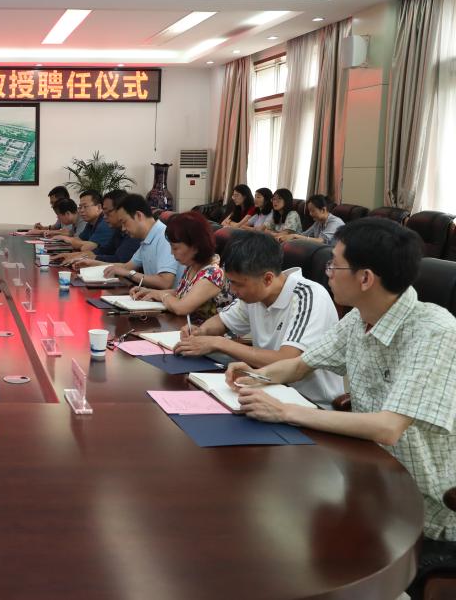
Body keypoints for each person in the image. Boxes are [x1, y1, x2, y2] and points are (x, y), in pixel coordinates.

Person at [224, 218, 456, 598]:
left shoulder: (434, 332)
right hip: (366, 481)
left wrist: (285, 411)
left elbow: (389, 428)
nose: (328, 272)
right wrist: (255, 376)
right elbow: (299, 365)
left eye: (335, 264)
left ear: (365, 278)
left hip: (421, 510)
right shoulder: (359, 320)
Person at [173, 232, 343, 407]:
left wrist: (219, 343)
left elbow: (288, 359)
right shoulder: (253, 294)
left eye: (238, 284)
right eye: (230, 282)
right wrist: (201, 331)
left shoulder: (308, 296)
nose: (233, 290)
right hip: (265, 388)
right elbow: (222, 321)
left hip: (308, 402)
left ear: (267, 279)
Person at [126, 211, 232, 321]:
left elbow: (182, 308)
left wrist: (161, 296)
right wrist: (150, 292)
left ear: (195, 247)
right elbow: (181, 293)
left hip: (205, 330)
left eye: (175, 248)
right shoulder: (192, 266)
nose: (172, 253)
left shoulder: (213, 274)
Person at [101, 194, 183, 289]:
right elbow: (126, 267)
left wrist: (129, 274)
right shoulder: (147, 239)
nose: (123, 228)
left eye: (124, 222)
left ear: (138, 215)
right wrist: (93, 264)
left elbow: (165, 282)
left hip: (171, 297)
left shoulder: (164, 237)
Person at [59, 190, 139, 266]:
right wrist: (76, 255)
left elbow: (120, 260)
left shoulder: (134, 233)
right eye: (80, 207)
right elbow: (104, 250)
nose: (104, 216)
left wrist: (88, 258)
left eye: (108, 212)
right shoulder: (118, 229)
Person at [48, 189, 113, 252]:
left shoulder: (105, 223)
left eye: (85, 206)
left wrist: (66, 239)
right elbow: (79, 239)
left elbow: (86, 248)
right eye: (80, 207)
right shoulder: (90, 223)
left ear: (99, 207)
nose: (81, 210)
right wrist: (63, 238)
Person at [280, 194, 344, 245]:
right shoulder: (318, 222)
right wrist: (285, 237)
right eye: (309, 211)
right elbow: (304, 235)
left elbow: (321, 241)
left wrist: (295, 236)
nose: (310, 214)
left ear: (323, 210)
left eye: (313, 211)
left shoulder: (335, 222)